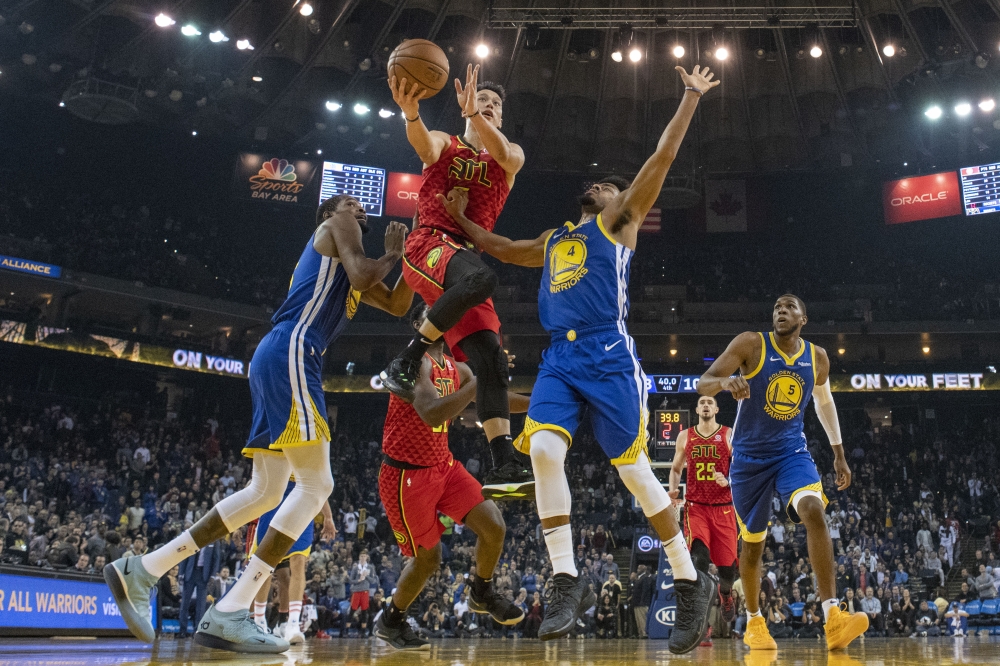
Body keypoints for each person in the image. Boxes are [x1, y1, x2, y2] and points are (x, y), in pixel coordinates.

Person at [435, 65, 721, 654]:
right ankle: (566, 577)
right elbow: (501, 249)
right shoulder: (555, 238)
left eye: (608, 185)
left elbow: (661, 160)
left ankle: (691, 584)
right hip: (560, 361)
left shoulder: (618, 224)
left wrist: (690, 98)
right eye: (597, 185)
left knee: (637, 477)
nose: (598, 186)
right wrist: (459, 217)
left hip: (609, 353)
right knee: (540, 449)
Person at [104, 194, 411, 653]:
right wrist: (392, 252)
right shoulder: (339, 224)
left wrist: (413, 252)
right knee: (316, 485)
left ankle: (144, 568)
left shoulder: (348, 258)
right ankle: (231, 609)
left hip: (279, 355)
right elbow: (369, 273)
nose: (360, 209)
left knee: (266, 493)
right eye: (350, 202)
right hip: (294, 350)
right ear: (331, 211)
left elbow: (399, 303)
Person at [380, 63, 531, 501]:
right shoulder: (447, 142)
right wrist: (411, 114)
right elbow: (424, 143)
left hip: (464, 259)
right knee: (481, 278)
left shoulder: (510, 155)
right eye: (482, 100)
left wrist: (479, 119)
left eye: (496, 105)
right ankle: (408, 360)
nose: (488, 106)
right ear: (465, 109)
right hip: (429, 243)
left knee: (492, 362)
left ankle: (502, 461)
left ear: (499, 119)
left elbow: (503, 154)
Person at [698, 294, 869, 652]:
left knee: (814, 511)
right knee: (753, 546)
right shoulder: (751, 344)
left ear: (803, 318)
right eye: (777, 306)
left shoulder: (817, 358)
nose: (781, 310)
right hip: (747, 459)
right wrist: (725, 383)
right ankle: (755, 622)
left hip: (791, 451)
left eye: (789, 306)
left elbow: (824, 402)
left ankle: (833, 618)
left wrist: (839, 454)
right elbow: (704, 382)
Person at [373, 304, 528, 650]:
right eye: (431, 311)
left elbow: (496, 399)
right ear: (418, 324)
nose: (443, 314)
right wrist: (478, 383)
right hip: (405, 476)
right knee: (430, 559)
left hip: (443, 466)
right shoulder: (412, 364)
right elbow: (430, 413)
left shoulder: (456, 368)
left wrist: (541, 404)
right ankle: (391, 620)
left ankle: (481, 591)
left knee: (494, 527)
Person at [668, 395, 738, 624]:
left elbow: (741, 466)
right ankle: (699, 613)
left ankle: (726, 594)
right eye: (702, 402)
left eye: (710, 402)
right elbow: (676, 468)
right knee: (699, 557)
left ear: (716, 408)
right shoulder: (684, 436)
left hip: (724, 508)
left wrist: (727, 479)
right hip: (696, 507)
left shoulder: (728, 434)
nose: (706, 405)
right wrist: (673, 490)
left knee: (728, 572)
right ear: (697, 409)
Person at [250, 485, 336, 644]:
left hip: (303, 507)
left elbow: (318, 482)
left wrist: (328, 516)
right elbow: (256, 481)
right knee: (265, 566)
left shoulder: (310, 460)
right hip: (274, 502)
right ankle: (259, 622)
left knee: (297, 564)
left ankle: (292, 624)